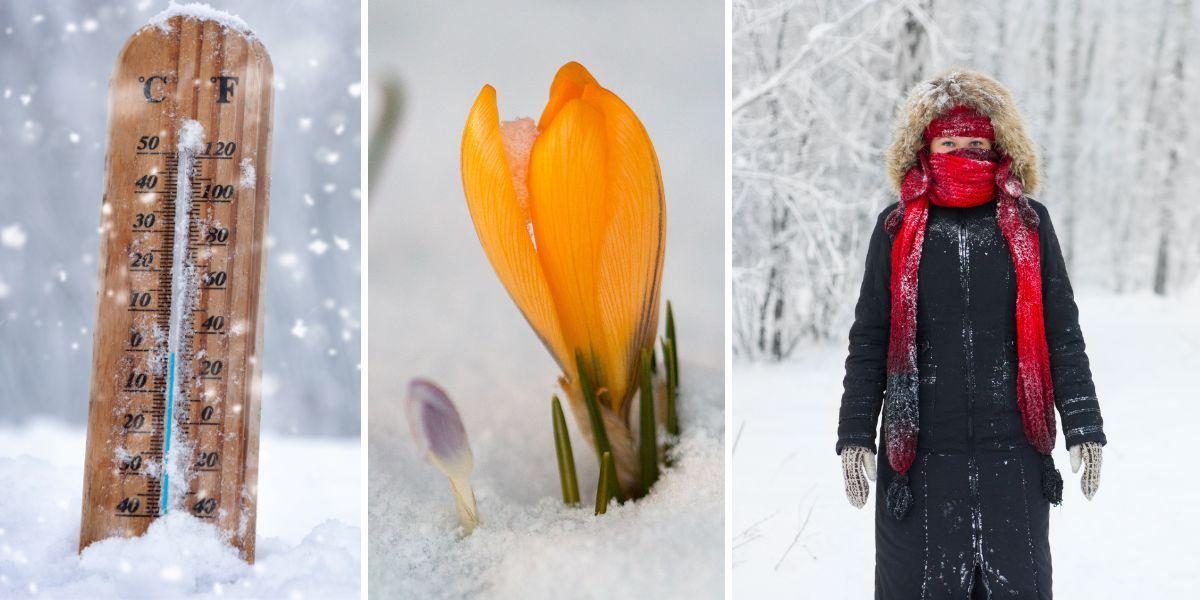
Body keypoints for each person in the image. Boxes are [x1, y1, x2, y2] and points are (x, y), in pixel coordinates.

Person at [835, 69, 1107, 599]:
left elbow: (1061, 333)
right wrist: (853, 434)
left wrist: (1084, 424)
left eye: (976, 141)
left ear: (998, 144)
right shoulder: (896, 227)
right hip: (918, 461)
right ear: (925, 144)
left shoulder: (1029, 224)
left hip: (1013, 454)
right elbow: (869, 337)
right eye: (950, 140)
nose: (963, 151)